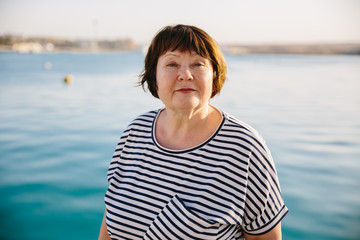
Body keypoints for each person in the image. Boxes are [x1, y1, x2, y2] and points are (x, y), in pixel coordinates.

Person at [99, 24, 288, 240]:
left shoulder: (244, 148)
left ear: (214, 75)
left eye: (198, 64)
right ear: (154, 77)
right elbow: (110, 217)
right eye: (172, 64)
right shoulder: (135, 132)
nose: (185, 75)